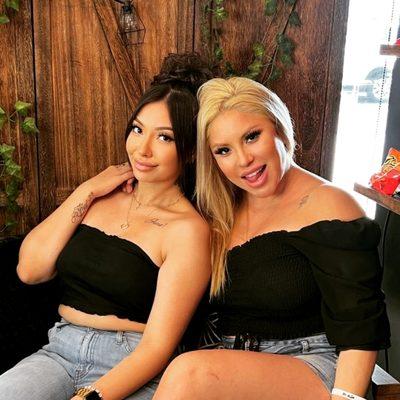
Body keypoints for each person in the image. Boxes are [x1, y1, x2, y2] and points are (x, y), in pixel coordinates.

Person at [153, 77, 391, 400]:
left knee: (187, 373)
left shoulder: (330, 205)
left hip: (310, 364)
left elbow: (360, 329)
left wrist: (346, 398)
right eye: (224, 150)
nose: (243, 160)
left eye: (252, 136)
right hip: (231, 363)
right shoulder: (221, 212)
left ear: (278, 127)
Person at [0, 53, 212, 400]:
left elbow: (157, 347)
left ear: (189, 151)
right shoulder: (99, 197)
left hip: (130, 365)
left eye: (165, 138)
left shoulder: (188, 230)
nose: (142, 149)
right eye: (138, 129)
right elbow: (30, 270)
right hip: (58, 353)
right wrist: (86, 190)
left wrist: (87, 398)